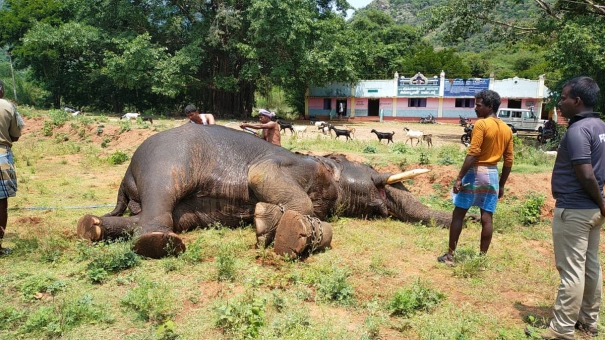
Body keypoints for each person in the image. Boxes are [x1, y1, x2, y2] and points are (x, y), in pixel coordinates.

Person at [526, 77, 605, 340]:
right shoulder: (601, 127)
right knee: (590, 265)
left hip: (575, 210)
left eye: (563, 98)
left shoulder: (577, 130)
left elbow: (585, 173)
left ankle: (561, 330)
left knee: (571, 269)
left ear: (577, 101)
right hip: (593, 210)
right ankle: (588, 321)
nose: (559, 103)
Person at [437, 89, 513, 266]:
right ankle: (481, 259)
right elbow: (509, 160)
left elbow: (473, 153)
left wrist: (459, 178)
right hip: (493, 175)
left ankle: (450, 256)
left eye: (478, 105)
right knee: (487, 218)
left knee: (458, 214)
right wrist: (501, 185)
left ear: (490, 106)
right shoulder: (506, 129)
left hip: (475, 173)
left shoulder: (482, 124)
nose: (475, 108)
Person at [0, 79, 24, 255]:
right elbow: (15, 136)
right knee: (1, 203)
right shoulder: (8, 106)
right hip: (1, 156)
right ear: (1, 90)